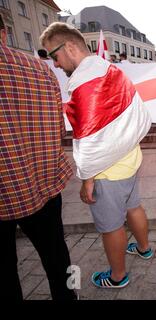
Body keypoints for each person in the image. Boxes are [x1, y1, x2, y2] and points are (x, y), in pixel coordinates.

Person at [40, 22, 153, 289]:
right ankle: (145, 248)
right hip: (130, 159)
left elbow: (87, 138)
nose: (55, 64)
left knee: (111, 226)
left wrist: (87, 178)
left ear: (69, 47)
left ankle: (117, 276)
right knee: (133, 206)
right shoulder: (112, 69)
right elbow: (138, 113)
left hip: (107, 172)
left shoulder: (83, 83)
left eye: (54, 56)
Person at [0, 14, 77, 300]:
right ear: (5, 34)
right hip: (42, 183)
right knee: (58, 256)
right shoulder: (41, 69)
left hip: (4, 191)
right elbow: (58, 128)